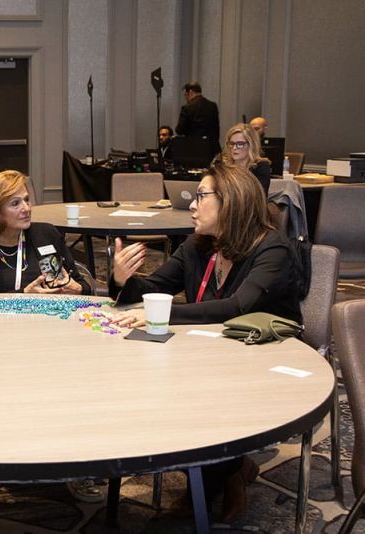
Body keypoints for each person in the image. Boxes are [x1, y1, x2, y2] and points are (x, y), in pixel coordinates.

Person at [109, 163, 301, 522]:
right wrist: (124, 279)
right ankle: (227, 469)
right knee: (153, 382)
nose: (192, 205)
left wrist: (165, 315)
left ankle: (216, 478)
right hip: (209, 352)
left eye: (201, 196)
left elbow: (238, 306)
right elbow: (153, 288)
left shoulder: (272, 248)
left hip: (264, 357)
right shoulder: (197, 245)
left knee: (207, 393)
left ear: (231, 201)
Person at [0, 170, 91, 295]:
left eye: (27, 200)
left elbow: (81, 284)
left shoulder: (45, 235)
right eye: (15, 203)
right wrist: (25, 294)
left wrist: (79, 288)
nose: (26, 208)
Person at [219, 123, 271, 194]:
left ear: (251, 145)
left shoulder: (261, 166)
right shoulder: (223, 165)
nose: (234, 148)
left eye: (240, 144)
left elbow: (258, 194)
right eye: (232, 143)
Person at [176, 81, 220, 153]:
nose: (186, 98)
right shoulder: (213, 106)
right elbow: (216, 128)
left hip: (194, 149)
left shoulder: (187, 108)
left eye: (185, 95)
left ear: (190, 92)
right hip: (211, 147)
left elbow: (180, 130)